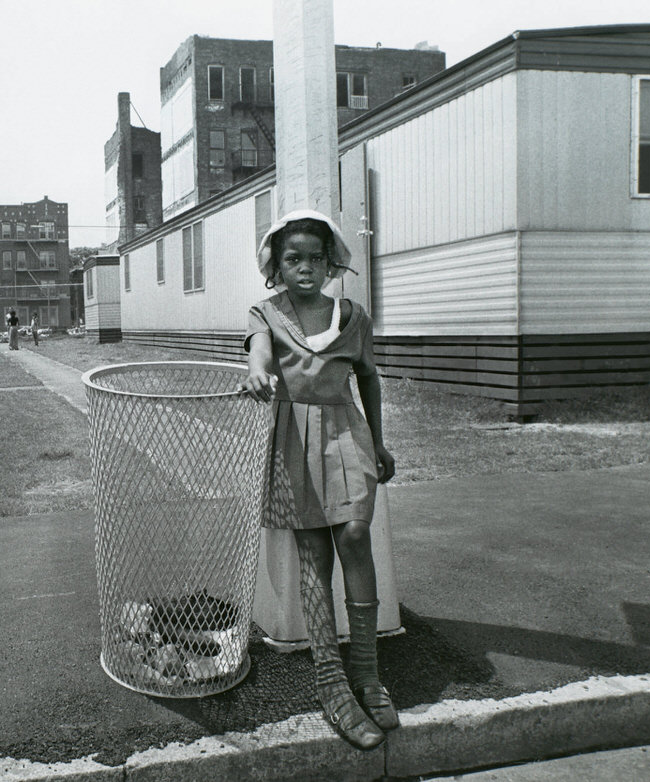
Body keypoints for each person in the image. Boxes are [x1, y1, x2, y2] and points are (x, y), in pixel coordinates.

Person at [240, 209, 397, 751]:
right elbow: (259, 351)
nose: (304, 267)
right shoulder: (266, 313)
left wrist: (377, 442)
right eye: (292, 258)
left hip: (345, 430)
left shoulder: (352, 316)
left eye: (314, 257)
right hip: (293, 440)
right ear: (276, 267)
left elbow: (369, 378)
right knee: (315, 556)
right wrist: (258, 371)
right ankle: (331, 682)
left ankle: (368, 673)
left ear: (331, 263)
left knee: (355, 534)